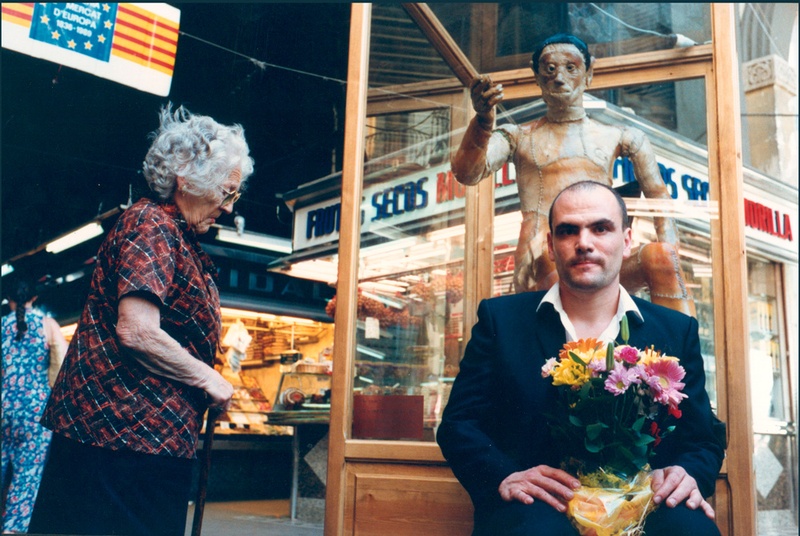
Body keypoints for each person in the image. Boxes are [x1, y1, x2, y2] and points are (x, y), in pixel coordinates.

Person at [436, 181, 723, 536]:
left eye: (600, 228)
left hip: (647, 507)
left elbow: (703, 438)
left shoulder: (675, 330)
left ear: (627, 239)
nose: (584, 242)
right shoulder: (502, 321)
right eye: (568, 230)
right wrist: (503, 475)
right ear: (551, 245)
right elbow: (458, 424)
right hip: (539, 510)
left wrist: (688, 473)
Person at [28, 105, 254, 536]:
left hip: (141, 443)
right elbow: (137, 330)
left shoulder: (178, 235)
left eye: (234, 195)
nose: (228, 208)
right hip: (117, 445)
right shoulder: (151, 224)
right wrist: (207, 377)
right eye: (226, 193)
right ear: (187, 181)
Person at [451, 33, 694, 316]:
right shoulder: (518, 137)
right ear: (537, 77)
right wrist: (483, 122)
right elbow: (468, 173)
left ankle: (675, 358)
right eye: (549, 69)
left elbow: (657, 194)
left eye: (571, 67)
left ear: (588, 74)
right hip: (545, 257)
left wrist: (670, 246)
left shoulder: (617, 137)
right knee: (548, 256)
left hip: (600, 257)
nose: (559, 77)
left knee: (662, 257)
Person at [2, 278, 68, 534]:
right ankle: (13, 528)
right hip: (35, 408)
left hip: (4, 404)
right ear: (34, 298)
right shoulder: (47, 324)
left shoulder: (1, 325)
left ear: (8, 299)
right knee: (27, 471)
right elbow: (62, 363)